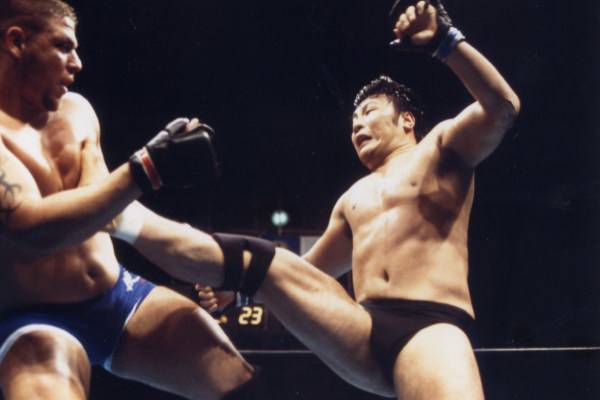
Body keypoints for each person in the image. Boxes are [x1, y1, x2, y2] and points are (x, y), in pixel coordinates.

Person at [190, 1, 520, 399]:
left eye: (368, 112)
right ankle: (146, 229)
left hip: (430, 322)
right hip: (361, 330)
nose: (358, 124)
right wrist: (240, 292)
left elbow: (503, 107)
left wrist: (445, 42)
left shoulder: (440, 148)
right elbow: (308, 274)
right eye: (353, 122)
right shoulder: (352, 198)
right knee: (271, 264)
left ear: (406, 120)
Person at [0, 1, 264, 399]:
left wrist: (193, 250)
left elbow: (107, 210)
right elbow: (32, 230)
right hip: (31, 319)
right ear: (17, 42)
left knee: (239, 382)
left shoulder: (77, 112)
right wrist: (147, 168)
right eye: (63, 46)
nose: (77, 63)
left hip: (118, 298)